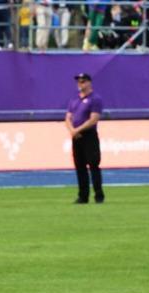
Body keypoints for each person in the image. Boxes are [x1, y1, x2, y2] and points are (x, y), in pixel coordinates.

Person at [64, 73, 104, 204]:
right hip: (77, 136)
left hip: (88, 135)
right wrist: (72, 130)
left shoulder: (95, 99)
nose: (80, 84)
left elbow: (93, 119)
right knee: (79, 166)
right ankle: (83, 195)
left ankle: (98, 194)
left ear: (88, 83)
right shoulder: (74, 100)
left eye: (82, 82)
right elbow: (68, 117)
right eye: (78, 82)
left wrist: (78, 129)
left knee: (93, 165)